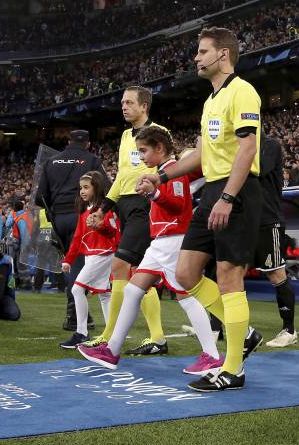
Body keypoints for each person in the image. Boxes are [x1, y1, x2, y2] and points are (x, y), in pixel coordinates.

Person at [138, 27, 264, 392]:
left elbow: (248, 148)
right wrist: (160, 176)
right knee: (186, 272)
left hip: (234, 191)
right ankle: (246, 334)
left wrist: (228, 197)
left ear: (223, 54)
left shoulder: (242, 91)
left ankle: (234, 369)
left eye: (202, 51)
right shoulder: (211, 101)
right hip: (212, 190)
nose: (196, 57)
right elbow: (201, 155)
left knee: (228, 276)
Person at [80, 126, 224, 377]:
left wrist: (155, 193)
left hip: (173, 240)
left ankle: (213, 355)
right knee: (135, 289)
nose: (141, 156)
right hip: (161, 242)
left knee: (184, 297)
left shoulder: (174, 171)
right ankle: (112, 350)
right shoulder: (163, 171)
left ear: (159, 148)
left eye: (144, 150)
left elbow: (178, 205)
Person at [87, 87, 167, 355]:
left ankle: (110, 336)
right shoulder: (124, 136)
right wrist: (105, 208)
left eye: (129, 102)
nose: (123, 106)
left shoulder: (159, 133)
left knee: (121, 265)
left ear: (144, 106)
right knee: (142, 272)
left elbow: (168, 168)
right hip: (125, 207)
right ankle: (157, 338)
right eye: (122, 102)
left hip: (144, 207)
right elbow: (122, 177)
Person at [37, 129, 107, 331]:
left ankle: (77, 312)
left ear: (68, 142)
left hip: (58, 218)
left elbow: (39, 196)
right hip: (81, 215)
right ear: (88, 144)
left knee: (70, 261)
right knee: (78, 263)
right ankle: (74, 314)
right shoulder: (92, 160)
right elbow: (105, 187)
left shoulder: (51, 161)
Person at [59, 171, 118, 349]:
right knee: (105, 294)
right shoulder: (85, 211)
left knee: (77, 289)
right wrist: (68, 260)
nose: (82, 191)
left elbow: (114, 233)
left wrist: (100, 226)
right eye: (80, 188)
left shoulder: (105, 209)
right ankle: (111, 335)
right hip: (93, 255)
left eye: (86, 187)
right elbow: (77, 237)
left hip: (104, 254)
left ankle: (82, 333)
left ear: (97, 187)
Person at [258, 135, 299, 348]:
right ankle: (215, 326)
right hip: (245, 220)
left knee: (276, 273)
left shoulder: (270, 145)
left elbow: (260, 168)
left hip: (268, 219)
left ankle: (289, 330)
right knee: (226, 270)